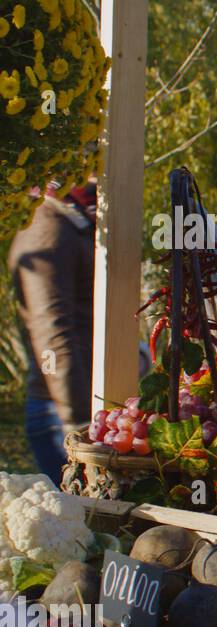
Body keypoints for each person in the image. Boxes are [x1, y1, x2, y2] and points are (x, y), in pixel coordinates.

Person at [7, 180, 97, 483]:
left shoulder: (71, 223)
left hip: (74, 408)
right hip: (61, 413)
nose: (97, 180)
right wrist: (79, 423)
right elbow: (51, 335)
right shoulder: (46, 228)